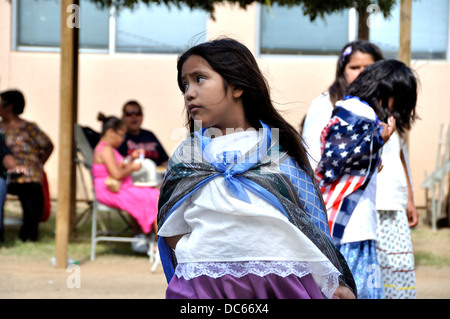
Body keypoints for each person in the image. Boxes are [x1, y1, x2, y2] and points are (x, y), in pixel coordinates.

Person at [157, 38, 356, 299]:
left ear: (237, 85)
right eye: (185, 84)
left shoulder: (277, 149)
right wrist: (207, 253)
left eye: (200, 79)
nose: (189, 92)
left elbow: (310, 220)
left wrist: (334, 282)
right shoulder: (189, 156)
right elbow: (169, 224)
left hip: (282, 283)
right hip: (205, 285)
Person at [315, 59, 418, 299]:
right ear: (386, 91)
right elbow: (334, 161)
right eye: (398, 101)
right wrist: (377, 142)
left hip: (359, 227)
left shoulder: (358, 112)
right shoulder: (356, 111)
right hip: (351, 229)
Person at [302, 40, 384, 170]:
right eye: (354, 67)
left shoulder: (386, 104)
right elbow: (312, 155)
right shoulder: (325, 103)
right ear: (342, 71)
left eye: (368, 67)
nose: (362, 73)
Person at [92, 113, 160, 253]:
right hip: (110, 191)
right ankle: (159, 243)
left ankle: (153, 239)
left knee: (154, 194)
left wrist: (130, 158)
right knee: (155, 196)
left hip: (116, 189)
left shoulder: (107, 148)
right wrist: (132, 167)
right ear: (111, 132)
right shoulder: (105, 149)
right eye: (121, 135)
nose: (123, 139)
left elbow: (118, 165)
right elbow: (116, 174)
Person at [375, 107, 419, 298]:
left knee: (401, 261)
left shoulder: (399, 127)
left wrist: (410, 199)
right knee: (379, 264)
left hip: (397, 202)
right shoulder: (368, 121)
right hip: (376, 203)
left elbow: (404, 161)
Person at [0, 89, 53, 242]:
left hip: (27, 173)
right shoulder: (0, 128)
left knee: (33, 189)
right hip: (4, 173)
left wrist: (40, 164)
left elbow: (48, 145)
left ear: (9, 106)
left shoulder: (29, 128)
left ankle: (29, 234)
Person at [118, 100, 169, 167]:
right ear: (123, 118)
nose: (134, 117)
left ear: (142, 116)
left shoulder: (150, 135)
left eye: (138, 113)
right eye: (129, 114)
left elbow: (165, 161)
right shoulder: (120, 137)